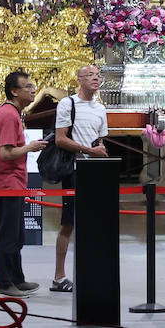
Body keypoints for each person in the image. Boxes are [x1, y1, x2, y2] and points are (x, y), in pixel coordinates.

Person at [50, 64, 110, 293]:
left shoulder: (100, 108)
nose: (96, 79)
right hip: (75, 170)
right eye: (91, 75)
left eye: (98, 75)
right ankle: (59, 276)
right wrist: (88, 150)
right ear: (80, 80)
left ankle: (91, 272)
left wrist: (99, 150)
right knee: (69, 223)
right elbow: (60, 139)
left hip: (96, 171)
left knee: (94, 223)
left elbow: (101, 139)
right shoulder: (69, 104)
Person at [0, 70, 49, 297]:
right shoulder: (8, 115)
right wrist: (30, 148)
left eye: (33, 85)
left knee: (17, 235)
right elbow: (5, 153)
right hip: (7, 183)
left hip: (14, 182)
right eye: (27, 86)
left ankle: (17, 278)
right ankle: (4, 282)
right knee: (8, 235)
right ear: (14, 91)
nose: (33, 90)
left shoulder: (12, 113)